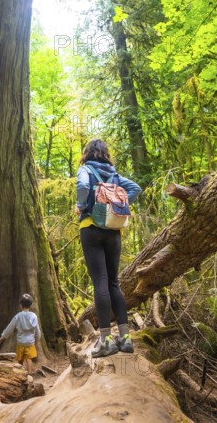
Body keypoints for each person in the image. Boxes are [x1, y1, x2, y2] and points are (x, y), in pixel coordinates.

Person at [76, 139, 142, 358]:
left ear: (87, 153)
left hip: (91, 229)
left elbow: (83, 186)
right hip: (114, 232)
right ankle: (125, 339)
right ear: (105, 154)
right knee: (114, 283)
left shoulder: (85, 169)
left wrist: (81, 206)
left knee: (100, 283)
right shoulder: (114, 175)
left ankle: (105, 341)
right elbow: (135, 188)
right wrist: (118, 205)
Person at [0, 293, 41, 373]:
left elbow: (10, 327)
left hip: (20, 342)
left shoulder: (18, 316)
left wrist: (3, 336)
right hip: (30, 342)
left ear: (21, 305)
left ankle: (20, 374)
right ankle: (30, 374)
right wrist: (37, 338)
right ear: (31, 305)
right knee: (29, 359)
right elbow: (37, 330)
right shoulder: (34, 316)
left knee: (20, 360)